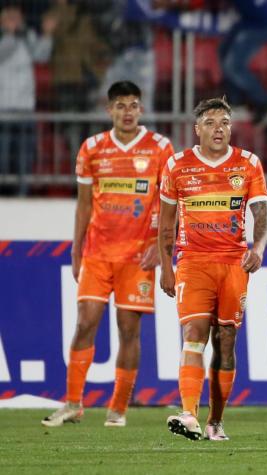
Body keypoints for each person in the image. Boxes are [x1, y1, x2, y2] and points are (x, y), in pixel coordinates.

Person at [42, 81, 173, 428]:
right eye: (120, 105)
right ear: (109, 110)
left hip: (137, 257)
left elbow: (170, 203)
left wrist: (160, 247)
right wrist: (76, 249)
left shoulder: (160, 148)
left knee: (128, 330)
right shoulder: (92, 148)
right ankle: (73, 403)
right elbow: (84, 204)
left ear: (141, 110)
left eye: (133, 105)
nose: (127, 112)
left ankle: (117, 409)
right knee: (85, 323)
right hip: (98, 252)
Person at [158, 97, 267, 441]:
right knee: (194, 334)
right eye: (210, 122)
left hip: (234, 263)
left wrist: (259, 248)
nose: (218, 128)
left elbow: (262, 216)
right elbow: (165, 225)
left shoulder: (248, 164)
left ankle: (215, 421)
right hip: (192, 262)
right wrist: (165, 266)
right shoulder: (177, 165)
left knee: (226, 341)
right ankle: (189, 414)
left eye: (224, 122)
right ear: (197, 129)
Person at [0, 4, 53, 195]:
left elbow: (42, 55)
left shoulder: (27, 36)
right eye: (10, 16)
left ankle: (22, 195)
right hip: (3, 109)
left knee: (24, 158)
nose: (15, 19)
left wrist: (46, 35)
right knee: (3, 159)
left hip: (25, 108)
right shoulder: (5, 39)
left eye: (17, 16)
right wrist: (10, 34)